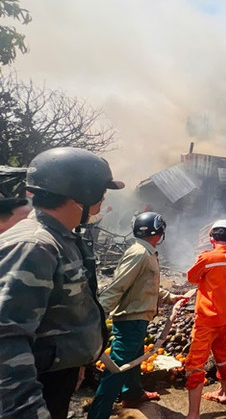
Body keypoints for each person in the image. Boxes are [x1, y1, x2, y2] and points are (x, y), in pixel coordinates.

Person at [0, 147, 124, 419]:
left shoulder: (62, 238)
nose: (103, 200)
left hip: (56, 375)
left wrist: (77, 361)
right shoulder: (34, 246)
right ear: (84, 192)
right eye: (101, 192)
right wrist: (26, 411)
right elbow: (6, 337)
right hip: (35, 388)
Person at [88, 211, 186, 418]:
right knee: (118, 368)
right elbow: (118, 286)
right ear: (158, 233)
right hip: (130, 318)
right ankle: (98, 414)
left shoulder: (146, 252)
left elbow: (146, 284)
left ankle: (133, 394)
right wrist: (97, 317)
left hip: (138, 318)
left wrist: (170, 297)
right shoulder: (139, 253)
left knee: (134, 357)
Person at [184, 219, 226, 419]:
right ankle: (223, 392)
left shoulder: (208, 258)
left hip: (207, 320)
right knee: (224, 356)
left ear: (211, 239)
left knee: (195, 364)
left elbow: (192, 278)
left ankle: (193, 414)